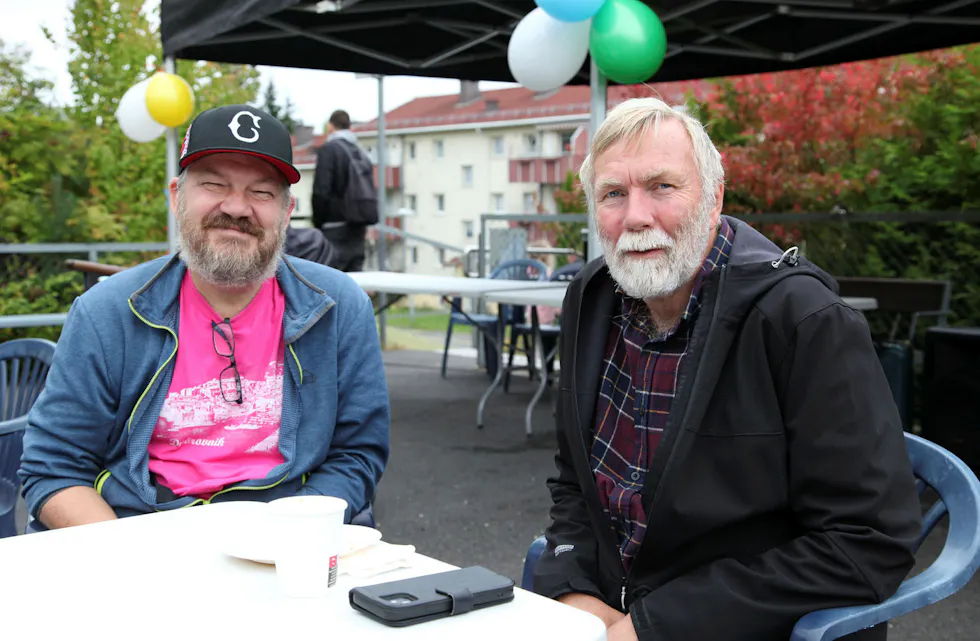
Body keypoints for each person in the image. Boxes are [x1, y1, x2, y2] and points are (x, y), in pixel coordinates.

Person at [532, 97, 922, 641]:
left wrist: (653, 627)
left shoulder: (802, 320)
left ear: (714, 198)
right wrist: (574, 594)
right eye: (613, 194)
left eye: (662, 187)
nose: (636, 216)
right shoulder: (593, 299)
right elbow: (576, 482)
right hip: (608, 609)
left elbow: (869, 540)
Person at [19, 105, 390, 530]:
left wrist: (285, 536)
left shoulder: (339, 307)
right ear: (176, 198)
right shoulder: (107, 312)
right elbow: (54, 467)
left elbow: (357, 454)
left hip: (286, 535)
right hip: (138, 535)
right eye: (214, 184)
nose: (236, 207)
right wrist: (134, 561)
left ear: (286, 214)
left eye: (262, 193)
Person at [312, 109, 378, 272]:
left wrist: (318, 222)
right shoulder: (361, 153)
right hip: (358, 228)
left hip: (334, 228)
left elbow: (321, 190)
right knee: (353, 286)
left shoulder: (330, 150)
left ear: (330, 126)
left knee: (330, 283)